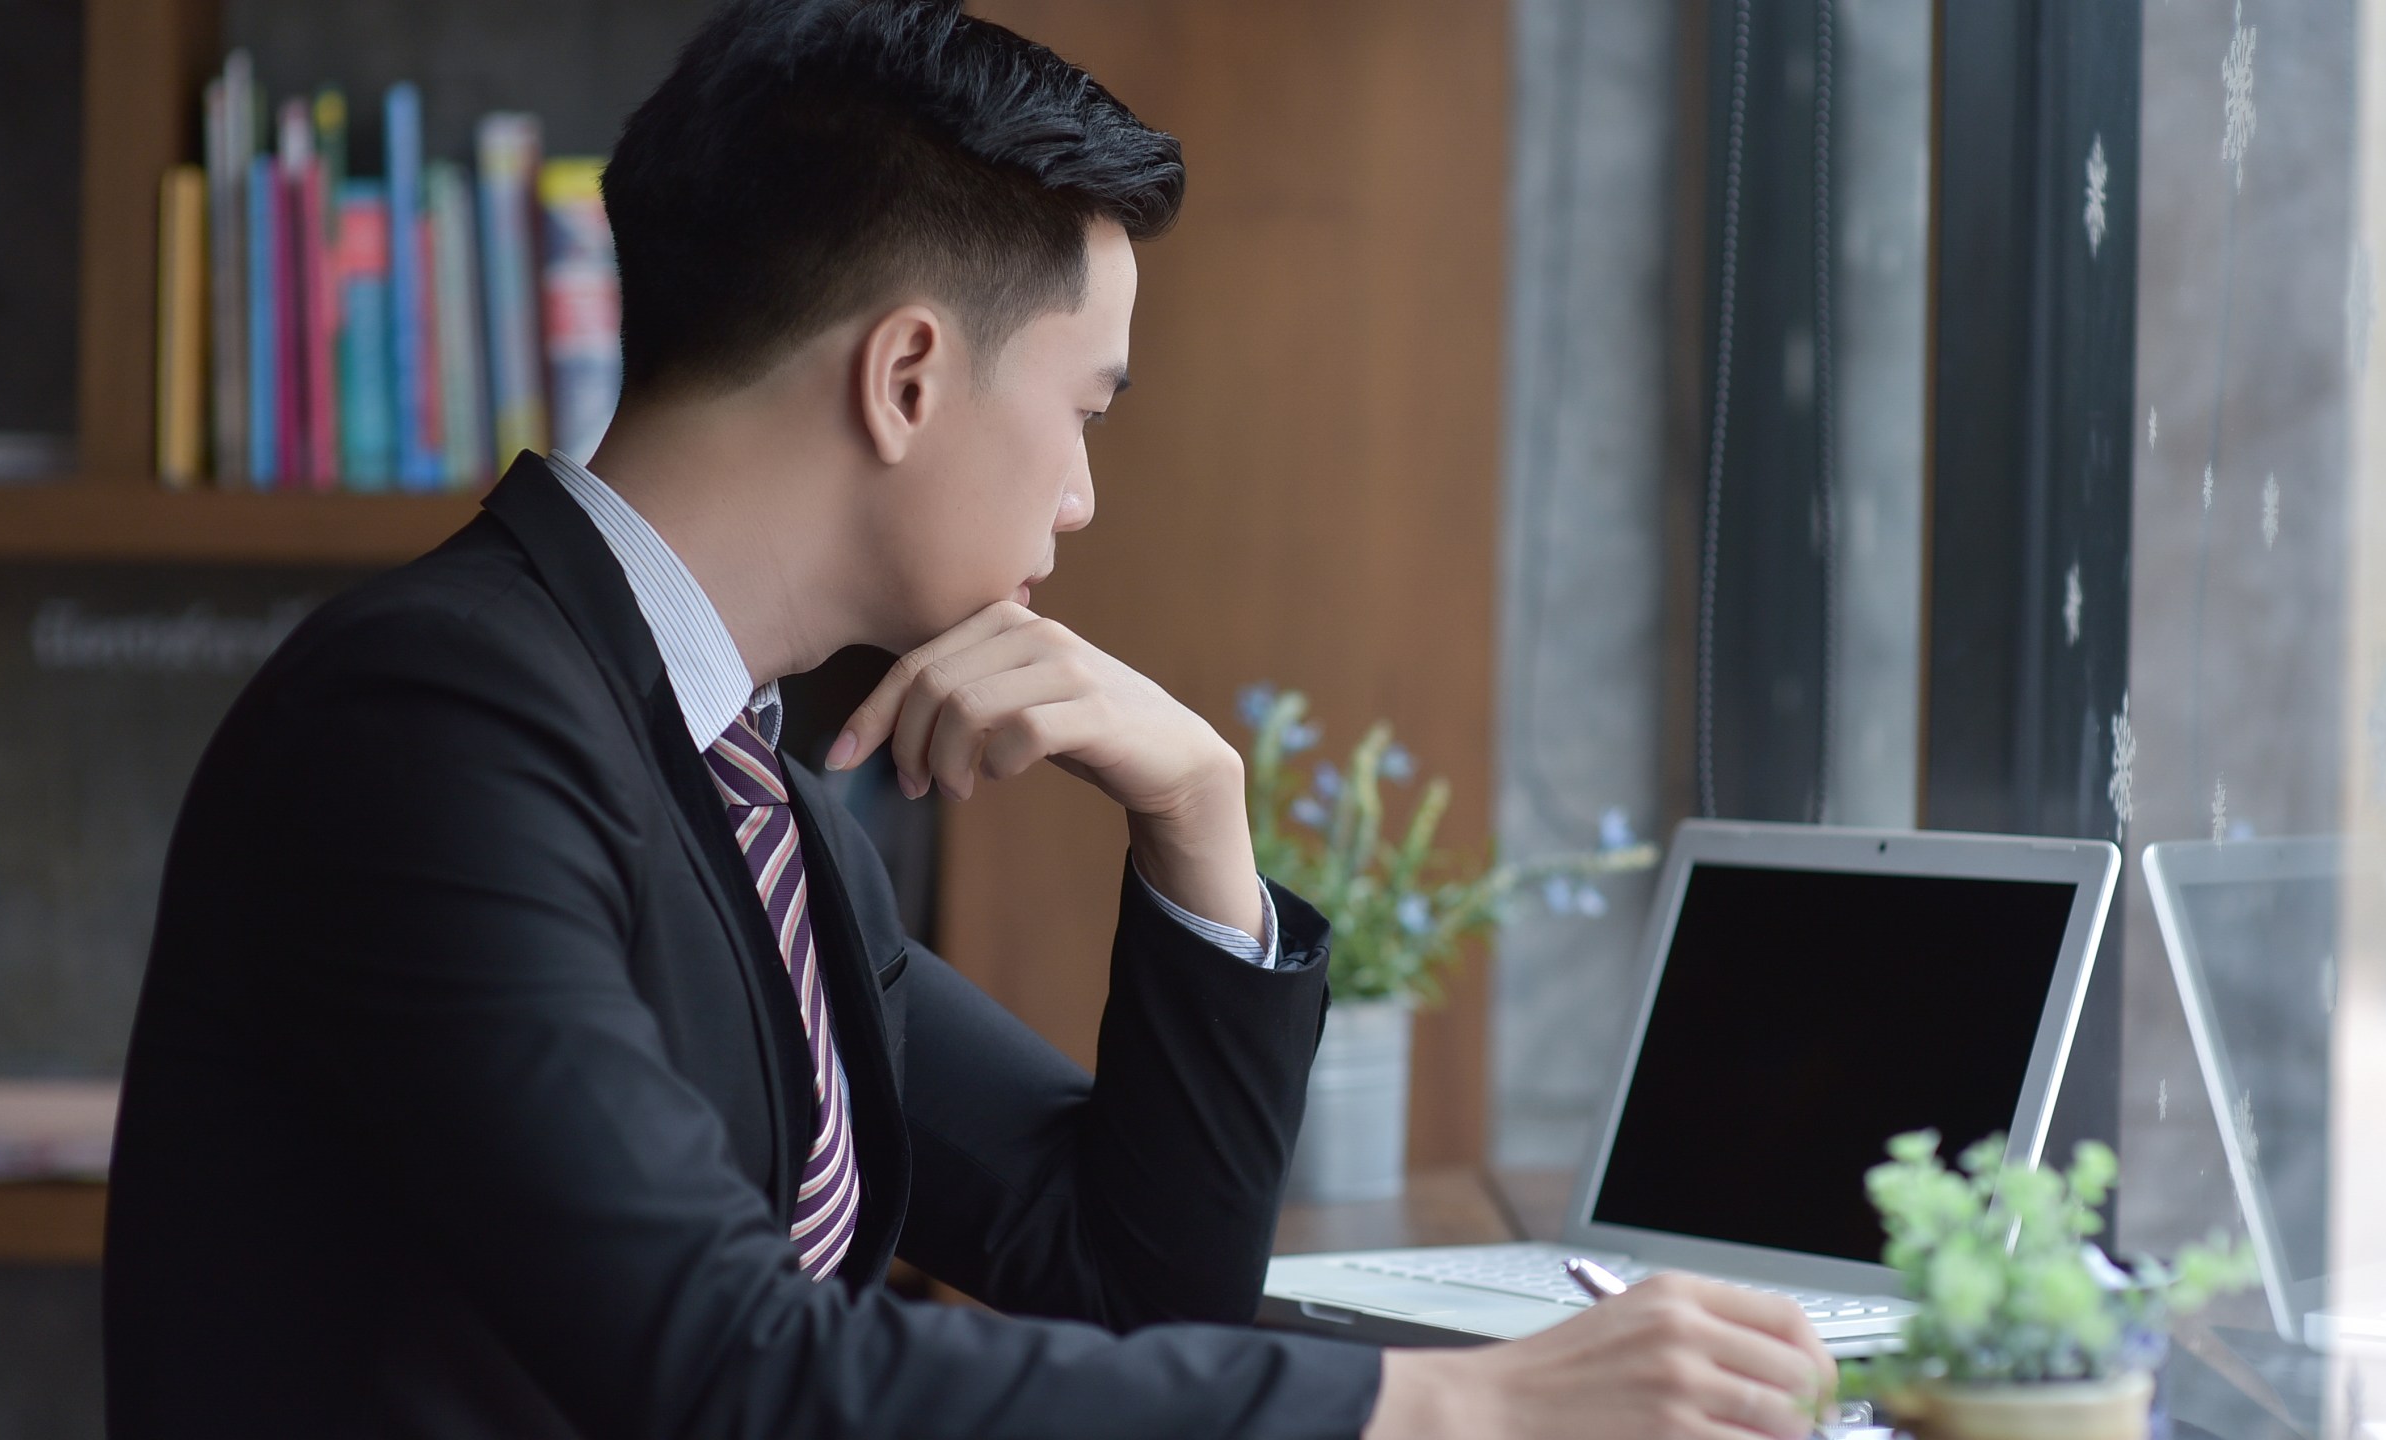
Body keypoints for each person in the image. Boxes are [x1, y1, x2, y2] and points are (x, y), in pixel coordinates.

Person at [102, 1, 1834, 1435]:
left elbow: (1130, 1285)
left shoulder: (738, 779)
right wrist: (1454, 1413)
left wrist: (1199, 817)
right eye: (1088, 409)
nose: (1081, 499)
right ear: (908, 376)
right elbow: (718, 1367)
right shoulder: (439, 723)